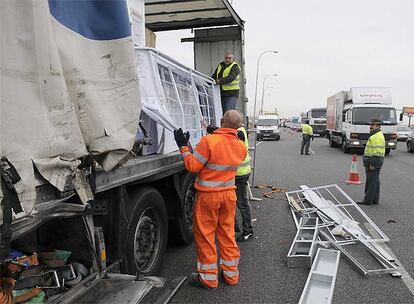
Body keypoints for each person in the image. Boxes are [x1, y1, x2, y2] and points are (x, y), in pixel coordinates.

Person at [174, 110, 247, 290]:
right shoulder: (241, 147)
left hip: (208, 196)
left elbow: (192, 165)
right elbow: (231, 144)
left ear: (221, 120)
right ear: (239, 127)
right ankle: (231, 275)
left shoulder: (208, 141)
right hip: (229, 196)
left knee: (206, 236)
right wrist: (222, 132)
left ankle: (208, 279)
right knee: (227, 235)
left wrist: (183, 146)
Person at [357, 119, 385, 205]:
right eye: (370, 124)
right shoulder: (377, 135)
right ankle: (374, 200)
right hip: (374, 160)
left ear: (378, 126)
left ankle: (368, 200)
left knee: (371, 181)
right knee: (375, 180)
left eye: (373, 125)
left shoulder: (376, 136)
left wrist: (372, 163)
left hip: (373, 161)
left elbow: (377, 151)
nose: (371, 126)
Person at [234, 126, 254, 242]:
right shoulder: (239, 130)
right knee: (232, 202)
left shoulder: (239, 132)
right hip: (237, 173)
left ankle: (248, 230)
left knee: (242, 203)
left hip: (240, 174)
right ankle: (235, 226)